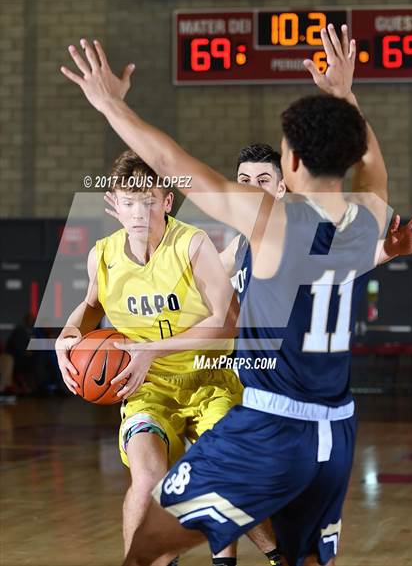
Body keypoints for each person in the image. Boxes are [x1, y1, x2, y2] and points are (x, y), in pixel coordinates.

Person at [61, 24, 412, 566]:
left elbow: (173, 164)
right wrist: (346, 95)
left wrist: (111, 107)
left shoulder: (270, 222)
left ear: (291, 165)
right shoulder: (366, 215)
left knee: (148, 549)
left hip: (272, 424)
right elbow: (372, 168)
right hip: (337, 430)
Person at [55, 152, 283, 566]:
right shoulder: (102, 255)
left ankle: (277, 552)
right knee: (146, 480)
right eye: (129, 202)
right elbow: (90, 307)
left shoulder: (192, 244)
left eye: (148, 201)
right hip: (148, 390)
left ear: (167, 202)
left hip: (210, 381)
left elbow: (226, 322)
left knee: (225, 476)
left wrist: (150, 349)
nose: (138, 212)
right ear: (114, 203)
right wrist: (68, 334)